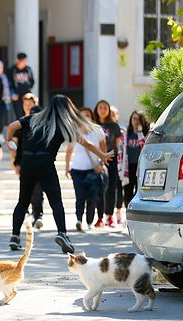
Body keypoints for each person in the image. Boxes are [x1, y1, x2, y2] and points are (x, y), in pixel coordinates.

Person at [6, 95, 113, 253]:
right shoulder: (63, 126)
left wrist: (10, 141)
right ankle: (62, 234)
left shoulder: (33, 118)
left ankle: (15, 236)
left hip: (28, 163)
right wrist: (102, 155)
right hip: (46, 165)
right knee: (56, 201)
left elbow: (11, 126)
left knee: (23, 201)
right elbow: (86, 143)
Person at [65, 107, 107, 231]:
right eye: (82, 115)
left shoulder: (98, 130)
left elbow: (103, 149)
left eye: (88, 115)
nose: (85, 117)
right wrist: (67, 168)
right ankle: (79, 219)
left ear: (91, 116)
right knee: (80, 196)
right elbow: (69, 151)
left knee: (92, 197)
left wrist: (101, 165)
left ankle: (89, 221)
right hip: (77, 169)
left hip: (93, 169)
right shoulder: (74, 132)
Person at [10, 93, 45, 229]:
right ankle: (28, 214)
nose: (28, 107)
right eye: (26, 104)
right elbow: (16, 145)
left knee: (38, 189)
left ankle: (38, 216)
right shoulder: (20, 122)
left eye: (31, 104)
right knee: (26, 190)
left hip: (40, 160)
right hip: (25, 161)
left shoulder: (43, 122)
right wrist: (15, 162)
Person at [93, 100, 122, 228]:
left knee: (111, 187)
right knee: (99, 187)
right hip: (96, 159)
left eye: (105, 108)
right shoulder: (93, 125)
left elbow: (117, 145)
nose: (103, 110)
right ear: (96, 109)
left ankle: (110, 216)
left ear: (109, 110)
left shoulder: (114, 126)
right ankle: (99, 217)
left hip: (111, 160)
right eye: (100, 107)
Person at [122, 110, 149, 207]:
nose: (136, 121)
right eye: (134, 119)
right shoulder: (126, 134)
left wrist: (140, 132)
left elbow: (145, 148)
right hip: (128, 167)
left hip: (141, 167)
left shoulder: (146, 134)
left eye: (138, 119)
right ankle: (127, 211)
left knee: (138, 191)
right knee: (127, 191)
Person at [7, 52, 35, 120]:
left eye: (25, 61)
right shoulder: (12, 70)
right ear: (18, 60)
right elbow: (8, 83)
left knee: (29, 113)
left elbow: (32, 81)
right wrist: (12, 94)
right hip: (17, 96)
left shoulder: (28, 69)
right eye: (23, 61)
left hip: (27, 95)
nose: (25, 63)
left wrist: (29, 90)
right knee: (19, 115)